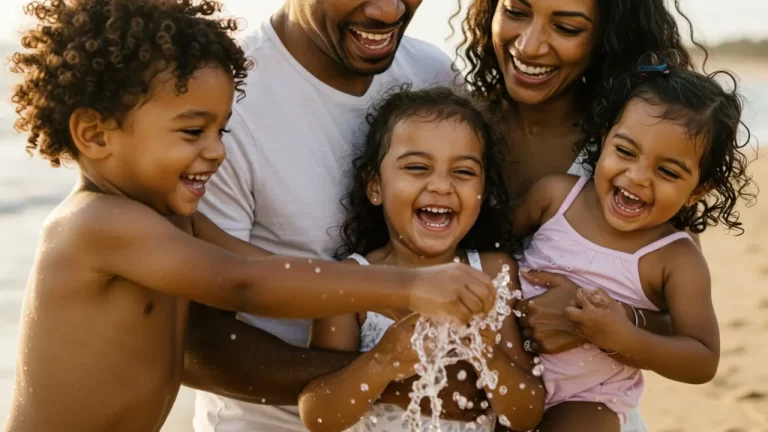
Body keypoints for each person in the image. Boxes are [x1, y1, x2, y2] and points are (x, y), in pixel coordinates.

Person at [3, 1, 499, 431]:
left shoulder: (174, 221)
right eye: (193, 131)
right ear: (95, 134)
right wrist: (407, 287)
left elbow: (271, 271)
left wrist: (373, 299)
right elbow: (244, 284)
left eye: (221, 130)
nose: (217, 152)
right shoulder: (99, 226)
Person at [182, 1, 492, 431]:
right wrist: (398, 381)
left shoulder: (432, 70)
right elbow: (193, 344)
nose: (389, 10)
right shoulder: (225, 100)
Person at [455, 1, 709, 429]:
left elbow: (681, 325)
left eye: (567, 27)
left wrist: (591, 316)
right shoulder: (450, 124)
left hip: (583, 407)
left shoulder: (634, 153)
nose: (531, 45)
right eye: (515, 10)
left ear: (608, 36)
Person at [510, 64, 754, 431]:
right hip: (508, 363)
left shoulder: (675, 259)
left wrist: (622, 336)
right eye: (625, 151)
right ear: (605, 139)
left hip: (589, 397)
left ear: (698, 191)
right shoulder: (555, 197)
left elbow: (702, 358)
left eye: (668, 172)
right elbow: (492, 245)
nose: (638, 177)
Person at [298, 86, 545, 432]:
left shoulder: (492, 273)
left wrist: (486, 353)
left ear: (483, 190)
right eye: (417, 167)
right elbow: (318, 415)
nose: (441, 186)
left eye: (463, 172)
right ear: (375, 186)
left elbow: (526, 415)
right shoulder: (351, 281)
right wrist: (382, 360)